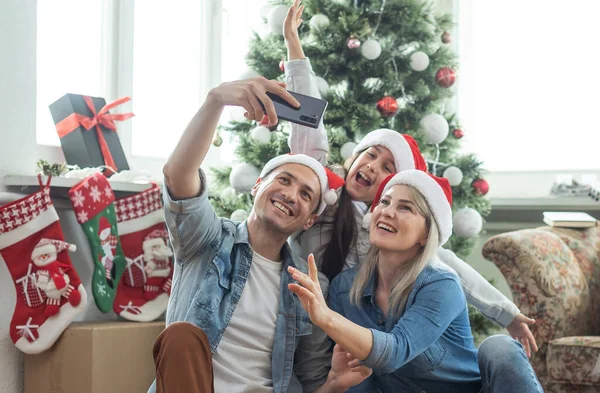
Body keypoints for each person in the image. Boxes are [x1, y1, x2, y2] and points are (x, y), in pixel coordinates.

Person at [280, 0, 537, 355]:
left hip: (354, 336)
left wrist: (505, 312)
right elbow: (307, 128)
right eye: (371, 154)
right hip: (298, 320)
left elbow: (450, 265)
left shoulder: (385, 227)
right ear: (355, 158)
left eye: (388, 168)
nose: (372, 167)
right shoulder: (323, 190)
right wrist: (295, 48)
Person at [148, 76, 372, 393]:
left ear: (309, 221)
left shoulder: (310, 287)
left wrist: (334, 383)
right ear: (257, 186)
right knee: (181, 336)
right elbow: (177, 174)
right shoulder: (208, 240)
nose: (291, 194)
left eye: (306, 195)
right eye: (283, 180)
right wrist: (215, 100)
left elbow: (310, 383)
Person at [287, 170, 543, 393]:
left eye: (405, 208)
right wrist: (336, 384)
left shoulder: (441, 285)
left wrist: (325, 317)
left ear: (425, 234)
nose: (387, 212)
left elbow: (395, 351)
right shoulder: (344, 290)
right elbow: (358, 382)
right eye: (384, 202)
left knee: (499, 346)